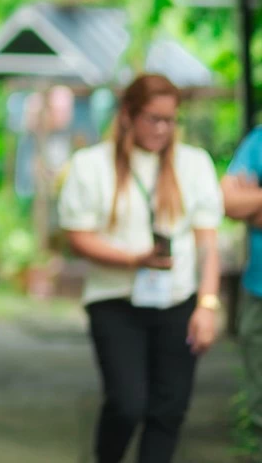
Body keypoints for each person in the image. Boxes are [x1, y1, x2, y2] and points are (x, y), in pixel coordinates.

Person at [58, 73, 223, 463]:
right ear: (129, 114)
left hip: (178, 300)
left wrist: (208, 304)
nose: (162, 129)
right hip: (114, 301)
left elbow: (208, 243)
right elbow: (77, 236)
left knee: (169, 410)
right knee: (127, 403)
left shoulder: (194, 164)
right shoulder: (91, 164)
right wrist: (134, 260)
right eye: (153, 118)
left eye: (170, 120)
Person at [221, 125, 262, 444]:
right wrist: (245, 205)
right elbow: (228, 202)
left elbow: (244, 204)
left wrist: (255, 201)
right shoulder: (258, 140)